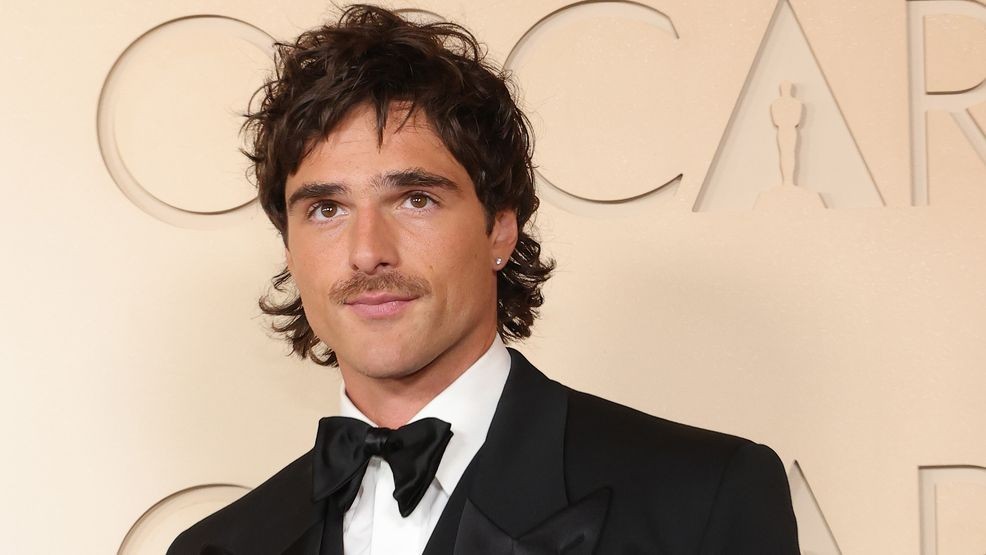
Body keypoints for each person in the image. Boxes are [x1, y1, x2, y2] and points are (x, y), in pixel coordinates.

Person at [169, 5, 799, 554]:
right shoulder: (215, 546)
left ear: (499, 228)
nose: (367, 253)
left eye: (415, 199)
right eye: (327, 209)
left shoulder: (704, 497)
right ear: (289, 247)